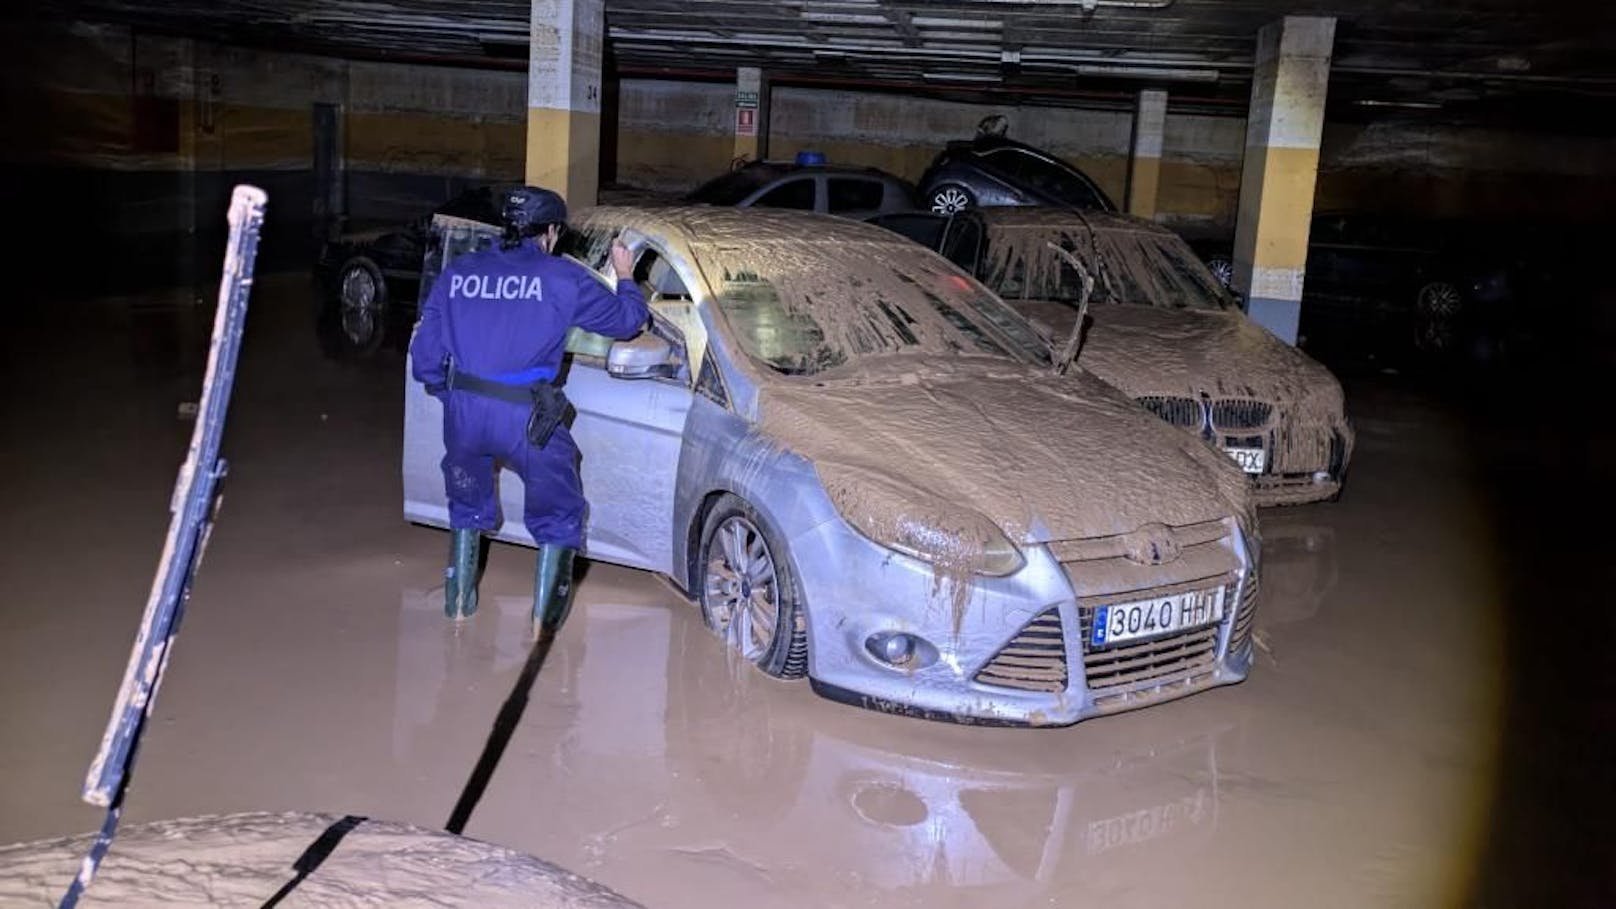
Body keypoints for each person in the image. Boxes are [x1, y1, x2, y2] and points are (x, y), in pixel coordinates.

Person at [410, 186, 647, 635]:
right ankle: (543, 634)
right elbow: (627, 322)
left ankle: (458, 612)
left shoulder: (460, 272)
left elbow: (425, 361)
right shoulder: (561, 278)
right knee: (560, 509)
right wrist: (625, 275)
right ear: (551, 233)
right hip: (525, 419)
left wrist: (454, 398)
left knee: (465, 504)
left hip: (463, 413)